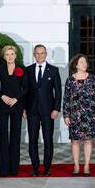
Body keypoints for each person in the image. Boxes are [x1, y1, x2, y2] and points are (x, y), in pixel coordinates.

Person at [24, 44, 62, 176]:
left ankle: (47, 168)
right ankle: (35, 167)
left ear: (46, 54)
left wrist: (56, 109)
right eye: (37, 53)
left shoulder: (53, 70)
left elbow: (58, 91)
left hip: (48, 111)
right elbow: (25, 91)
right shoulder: (28, 70)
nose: (40, 55)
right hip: (32, 110)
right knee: (32, 139)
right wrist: (24, 108)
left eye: (42, 53)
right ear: (34, 55)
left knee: (48, 139)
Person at [0, 44, 27, 177]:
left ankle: (14, 169)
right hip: (3, 105)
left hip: (17, 106)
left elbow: (26, 88)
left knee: (15, 137)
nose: (10, 57)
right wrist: (3, 96)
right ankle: (4, 169)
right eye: (7, 54)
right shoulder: (0, 68)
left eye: (12, 54)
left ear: (16, 56)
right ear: (4, 56)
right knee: (3, 137)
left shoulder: (21, 68)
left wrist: (16, 99)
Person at [62, 54, 95, 175]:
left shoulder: (92, 78)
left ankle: (87, 165)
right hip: (74, 116)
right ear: (76, 65)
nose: (85, 64)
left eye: (85, 62)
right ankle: (77, 166)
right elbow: (66, 99)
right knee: (75, 141)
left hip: (89, 115)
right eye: (82, 62)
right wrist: (66, 115)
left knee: (88, 140)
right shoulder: (70, 80)